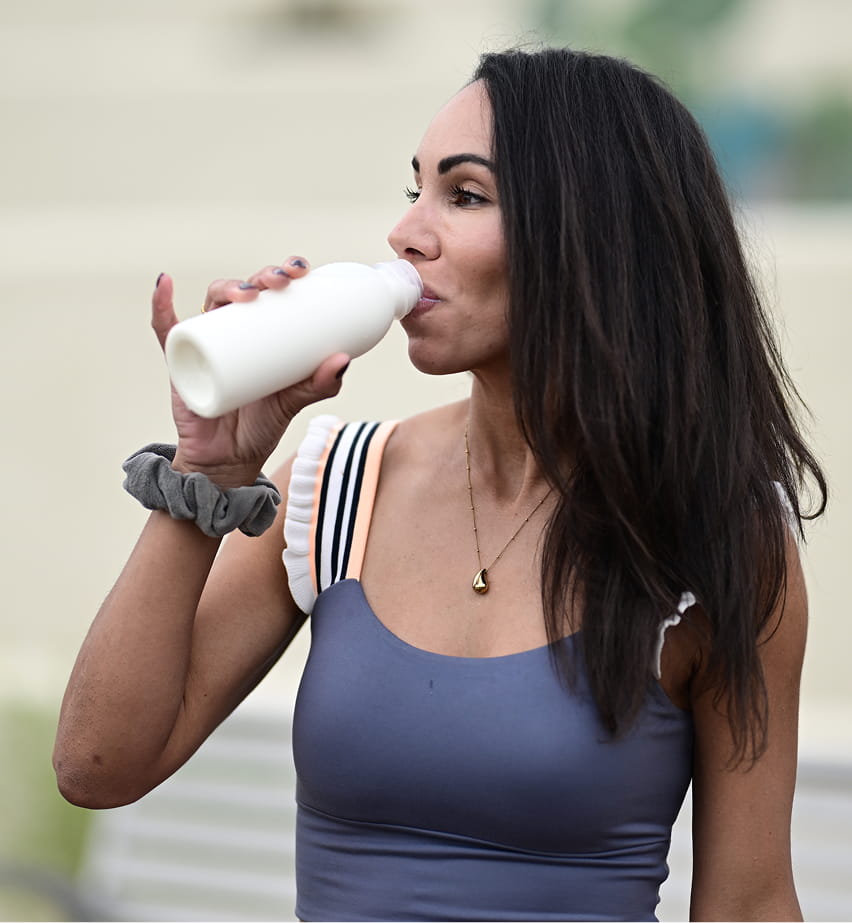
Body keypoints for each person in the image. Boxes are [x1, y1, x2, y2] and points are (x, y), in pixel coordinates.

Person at [54, 46, 827, 921]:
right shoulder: (339, 484)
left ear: (592, 235)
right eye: (414, 188)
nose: (406, 232)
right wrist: (208, 474)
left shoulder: (714, 541)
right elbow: (97, 765)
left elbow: (751, 899)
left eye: (464, 195)